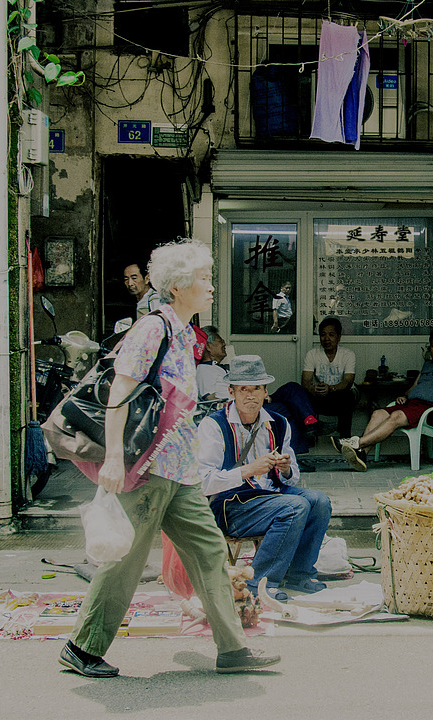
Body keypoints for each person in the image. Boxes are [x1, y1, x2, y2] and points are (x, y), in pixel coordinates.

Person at [59, 241, 279, 679]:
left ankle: (233, 648)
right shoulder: (152, 329)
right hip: (149, 470)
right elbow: (119, 393)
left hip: (180, 472)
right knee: (124, 559)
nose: (211, 287)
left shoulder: (184, 332)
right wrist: (116, 459)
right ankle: (82, 648)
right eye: (204, 279)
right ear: (179, 286)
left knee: (210, 551)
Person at [197, 355, 331, 602]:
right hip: (232, 505)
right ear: (231, 392)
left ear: (265, 391)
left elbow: (292, 479)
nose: (250, 396)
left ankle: (299, 575)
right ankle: (260, 582)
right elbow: (204, 482)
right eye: (243, 389)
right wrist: (248, 470)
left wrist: (286, 469)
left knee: (319, 502)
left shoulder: (279, 423)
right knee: (295, 506)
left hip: (270, 497)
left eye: (256, 388)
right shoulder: (213, 425)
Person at [335, 327, 433, 471]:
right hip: (413, 406)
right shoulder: (428, 364)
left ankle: (356, 442)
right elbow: (413, 387)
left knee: (397, 415)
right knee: (378, 413)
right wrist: (404, 396)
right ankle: (362, 454)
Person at [273, 317, 358, 439]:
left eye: (331, 335)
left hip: (340, 393)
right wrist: (314, 389)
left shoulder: (348, 354)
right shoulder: (312, 354)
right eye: (323, 335)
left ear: (338, 337)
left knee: (347, 396)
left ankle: (344, 438)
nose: (326, 339)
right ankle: (311, 431)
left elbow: (348, 382)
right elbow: (306, 381)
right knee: (300, 394)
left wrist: (331, 388)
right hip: (321, 393)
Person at [195, 326, 233, 401]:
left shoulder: (215, 367)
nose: (224, 344)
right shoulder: (204, 369)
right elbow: (209, 397)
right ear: (208, 346)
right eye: (220, 341)